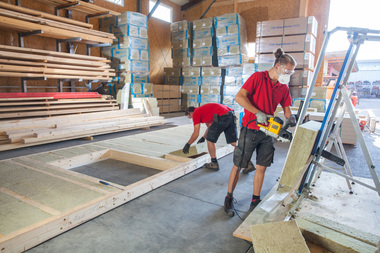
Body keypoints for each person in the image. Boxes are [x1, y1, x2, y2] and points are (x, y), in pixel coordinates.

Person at [224, 48, 297, 217]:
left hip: (267, 132)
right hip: (250, 128)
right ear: (277, 66)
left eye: (291, 72)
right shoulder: (258, 77)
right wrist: (257, 112)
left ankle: (255, 199)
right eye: (287, 71)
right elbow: (239, 97)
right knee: (238, 165)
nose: (289, 74)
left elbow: (287, 110)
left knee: (262, 167)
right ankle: (229, 197)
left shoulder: (283, 87)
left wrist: (292, 118)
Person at [183, 103, 238, 170]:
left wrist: (188, 144)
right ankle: (247, 161)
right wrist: (203, 137)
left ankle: (214, 163)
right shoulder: (204, 111)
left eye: (189, 117)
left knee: (210, 140)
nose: (191, 118)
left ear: (190, 113)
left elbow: (196, 133)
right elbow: (210, 127)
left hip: (222, 116)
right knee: (233, 142)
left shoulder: (195, 113)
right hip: (231, 116)